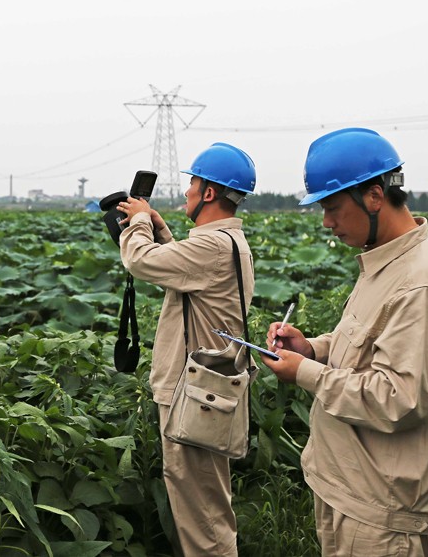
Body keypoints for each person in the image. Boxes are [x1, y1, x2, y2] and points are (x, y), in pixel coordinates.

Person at [261, 128, 428, 557]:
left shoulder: (422, 282)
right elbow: (363, 344)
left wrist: (304, 373)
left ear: (374, 196)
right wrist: (313, 349)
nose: (326, 221)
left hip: (384, 513)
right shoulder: (388, 261)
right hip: (354, 491)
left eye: (333, 207)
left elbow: (401, 398)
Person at [117, 142, 257, 556]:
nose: (187, 191)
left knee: (202, 514)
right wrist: (159, 228)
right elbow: (181, 270)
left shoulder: (211, 247)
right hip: (204, 392)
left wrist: (139, 223)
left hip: (195, 395)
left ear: (209, 192)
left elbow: (141, 262)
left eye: (193, 183)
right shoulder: (221, 244)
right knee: (205, 501)